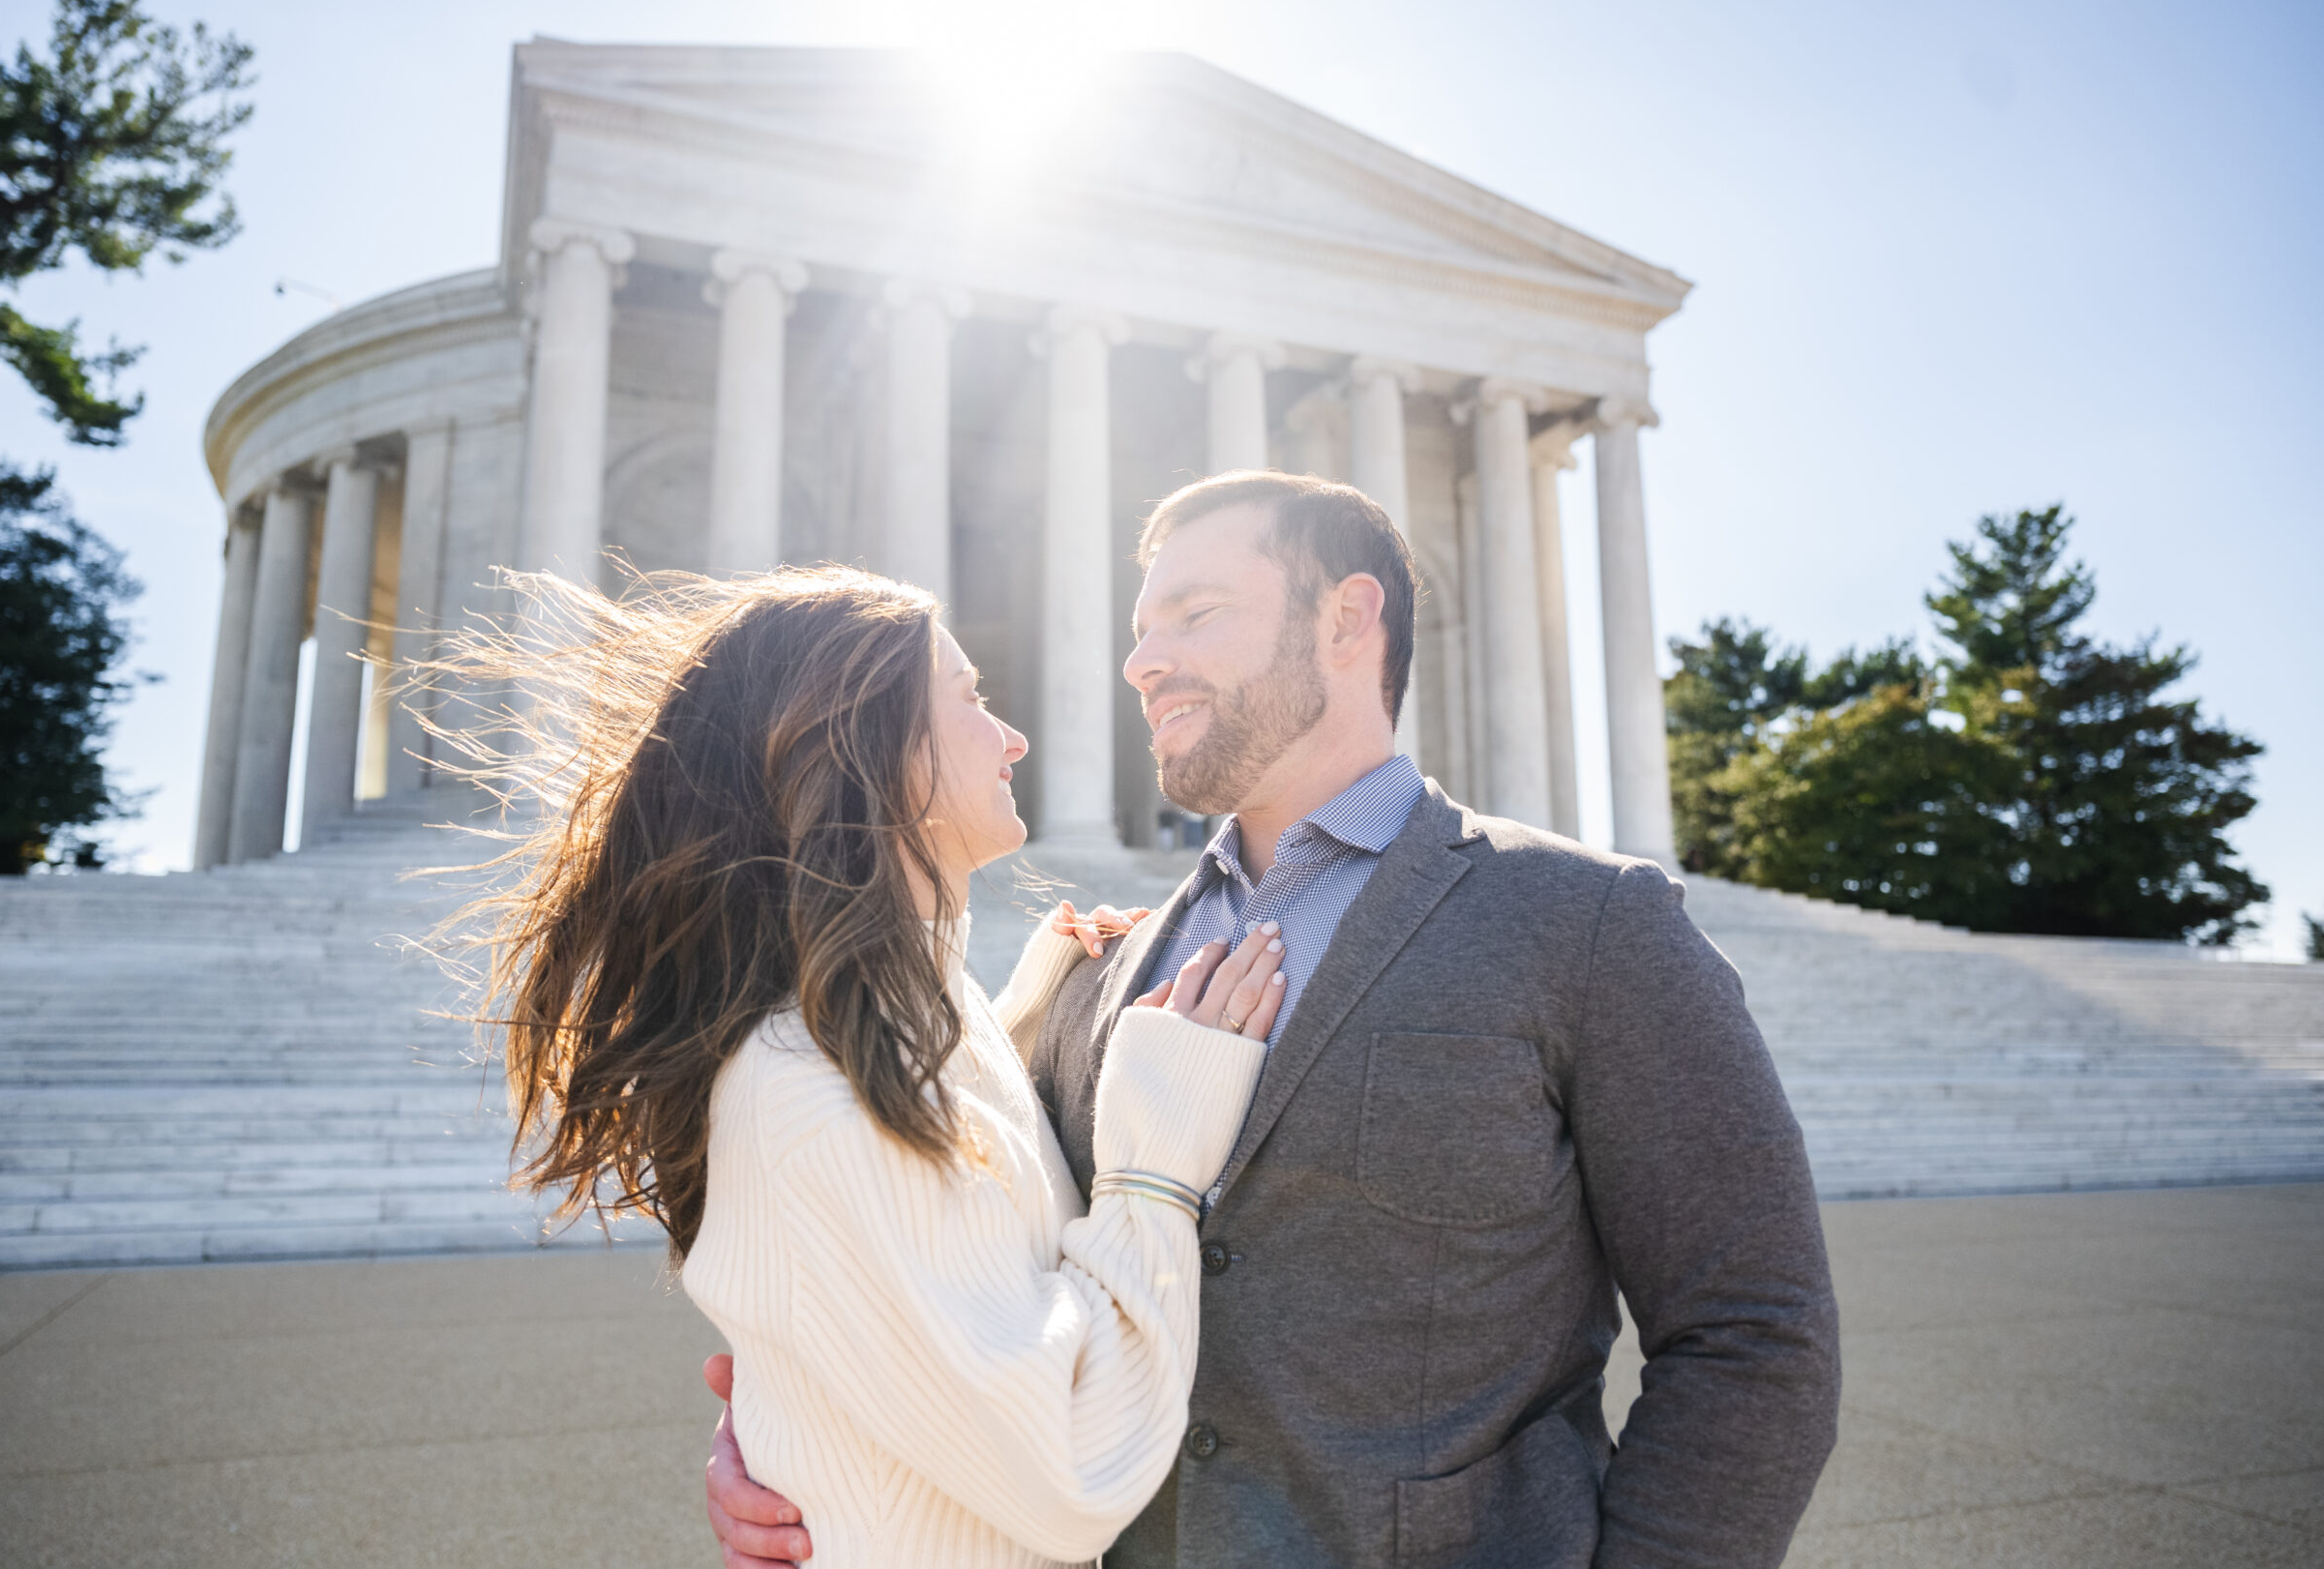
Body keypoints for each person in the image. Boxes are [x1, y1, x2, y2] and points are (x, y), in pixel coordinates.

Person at [707, 473, 1842, 1568]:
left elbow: (1753, 1331)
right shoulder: (1099, 972)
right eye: (1140, 630)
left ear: (1346, 619)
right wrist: (793, 1424)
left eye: (1195, 614)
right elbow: (956, 1282)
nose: (1140, 662)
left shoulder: (1590, 924)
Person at [462, 567, 1301, 1568]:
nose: (1013, 737)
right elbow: (1072, 1470)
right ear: (864, 748)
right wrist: (1155, 1155)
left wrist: (1043, 1007)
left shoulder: (906, 1024)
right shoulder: (815, 1092)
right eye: (971, 699)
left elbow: (949, 1240)